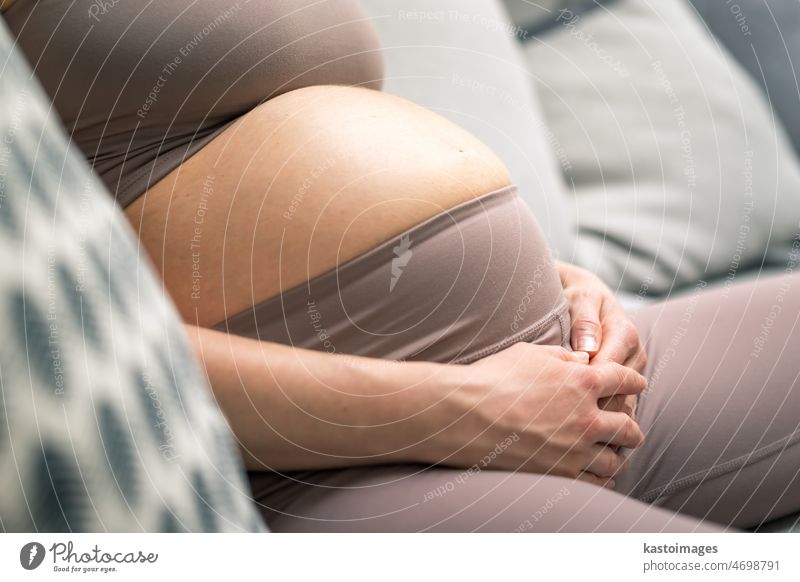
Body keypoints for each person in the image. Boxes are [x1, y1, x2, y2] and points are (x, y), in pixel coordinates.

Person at [5, 0, 799, 532]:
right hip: (327, 468)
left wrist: (566, 285)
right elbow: (47, 351)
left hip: (549, 374)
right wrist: (468, 410)